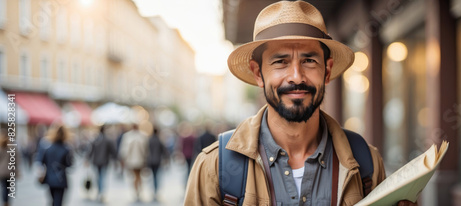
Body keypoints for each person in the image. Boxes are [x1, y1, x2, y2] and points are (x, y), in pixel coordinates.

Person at [185, 1, 417, 205]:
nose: (296, 76)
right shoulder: (215, 167)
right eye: (280, 62)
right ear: (258, 73)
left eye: (309, 60)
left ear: (327, 71)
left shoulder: (366, 163)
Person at [37, 124, 73, 206]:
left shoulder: (48, 148)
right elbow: (69, 164)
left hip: (50, 179)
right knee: (58, 201)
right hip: (61, 179)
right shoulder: (66, 149)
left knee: (52, 200)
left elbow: (41, 161)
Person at [86, 125, 117, 201]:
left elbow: (90, 150)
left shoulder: (96, 139)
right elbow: (113, 151)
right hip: (104, 161)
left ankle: (100, 191)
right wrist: (115, 160)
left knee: (98, 176)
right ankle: (101, 192)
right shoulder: (107, 140)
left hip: (96, 161)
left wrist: (87, 159)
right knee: (102, 177)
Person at [118, 124, 148, 201]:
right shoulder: (129, 136)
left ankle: (137, 191)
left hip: (138, 160)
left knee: (137, 176)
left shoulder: (141, 136)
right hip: (133, 160)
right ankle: (137, 191)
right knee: (137, 176)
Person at [146, 127, 168, 201]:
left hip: (150, 161)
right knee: (156, 176)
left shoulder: (149, 140)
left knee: (153, 176)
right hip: (158, 161)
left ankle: (153, 191)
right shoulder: (159, 140)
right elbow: (164, 151)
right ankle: (155, 191)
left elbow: (146, 150)